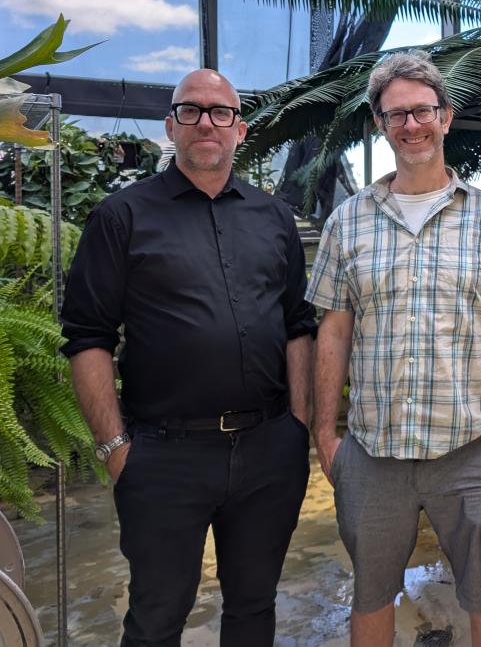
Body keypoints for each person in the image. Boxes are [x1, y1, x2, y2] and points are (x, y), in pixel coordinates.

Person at [60, 69, 315, 647]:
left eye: (220, 112)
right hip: (163, 457)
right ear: (170, 126)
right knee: (156, 615)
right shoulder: (120, 218)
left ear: (239, 130)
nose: (207, 122)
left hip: (268, 450)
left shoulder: (273, 218)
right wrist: (114, 449)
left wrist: (297, 427)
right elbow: (87, 336)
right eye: (192, 110)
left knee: (254, 607)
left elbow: (298, 325)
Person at [305, 50, 481, 647]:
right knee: (370, 596)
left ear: (445, 115)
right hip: (372, 450)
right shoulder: (347, 222)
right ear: (380, 125)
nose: (410, 125)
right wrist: (326, 435)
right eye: (395, 116)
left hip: (468, 451)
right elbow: (332, 331)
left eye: (421, 112)